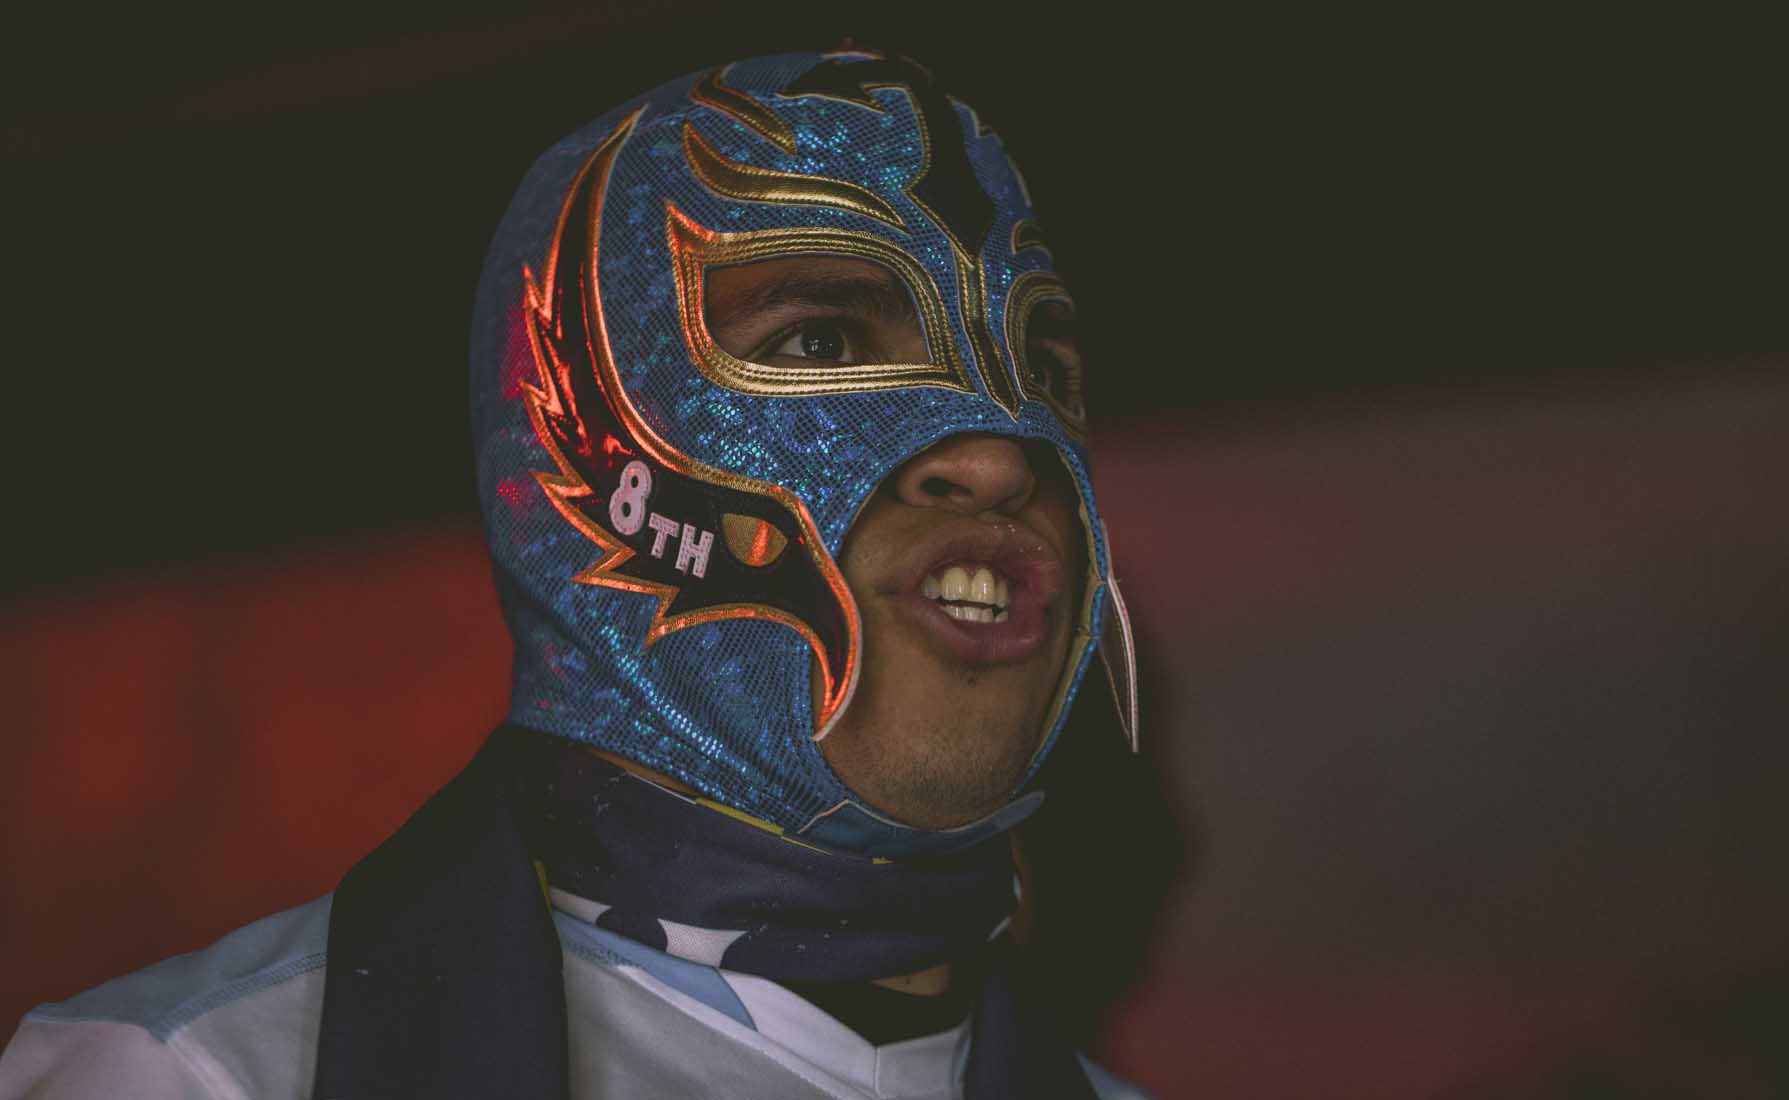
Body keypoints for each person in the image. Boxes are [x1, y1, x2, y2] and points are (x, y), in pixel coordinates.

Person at [0, 49, 1147, 1099]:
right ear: (577, 419)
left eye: (1040, 365)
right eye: (821, 341)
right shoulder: (198, 1077)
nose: (1005, 452)